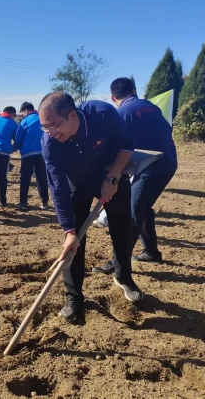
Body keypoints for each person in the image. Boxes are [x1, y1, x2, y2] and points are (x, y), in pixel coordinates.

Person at [40, 91, 143, 322]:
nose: (50, 133)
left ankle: (124, 276)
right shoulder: (50, 142)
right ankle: (74, 295)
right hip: (77, 182)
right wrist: (68, 231)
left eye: (54, 126)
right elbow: (57, 187)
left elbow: (127, 145)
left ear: (72, 116)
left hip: (110, 173)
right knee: (74, 240)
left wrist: (113, 177)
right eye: (44, 128)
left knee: (122, 227)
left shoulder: (103, 114)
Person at [93, 78, 178, 274]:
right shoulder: (151, 107)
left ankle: (117, 263)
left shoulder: (121, 113)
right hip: (167, 162)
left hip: (152, 167)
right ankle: (150, 252)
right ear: (134, 90)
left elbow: (113, 144)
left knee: (132, 214)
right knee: (142, 206)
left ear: (113, 97)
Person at [13, 102, 49, 211]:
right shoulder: (43, 119)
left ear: (26, 111)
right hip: (42, 154)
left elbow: (18, 140)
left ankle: (23, 203)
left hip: (27, 155)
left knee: (25, 179)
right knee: (41, 178)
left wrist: (11, 149)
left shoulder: (24, 122)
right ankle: (44, 202)